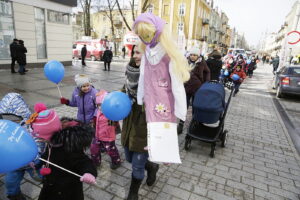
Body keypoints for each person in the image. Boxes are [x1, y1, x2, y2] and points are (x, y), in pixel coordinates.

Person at [121, 44, 159, 200]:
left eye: (140, 53)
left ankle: (133, 193)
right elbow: (125, 90)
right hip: (129, 121)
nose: (135, 56)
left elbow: (162, 102)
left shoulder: (155, 75)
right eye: (134, 52)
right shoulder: (130, 71)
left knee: (137, 163)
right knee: (129, 157)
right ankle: (152, 166)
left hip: (144, 123)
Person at [5, 103, 61, 200]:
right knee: (11, 182)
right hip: (15, 163)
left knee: (40, 176)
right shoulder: (25, 126)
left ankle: (48, 183)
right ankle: (14, 195)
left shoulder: (39, 134)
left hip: (31, 163)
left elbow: (42, 150)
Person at [38, 118, 97, 200]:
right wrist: (38, 162)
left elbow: (84, 162)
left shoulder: (71, 148)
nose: (39, 138)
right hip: (50, 182)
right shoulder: (51, 143)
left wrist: (89, 173)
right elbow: (47, 155)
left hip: (68, 187)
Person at [177, 47, 211, 134]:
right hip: (186, 88)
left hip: (197, 89)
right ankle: (181, 124)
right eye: (191, 54)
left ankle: (194, 124)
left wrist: (206, 83)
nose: (192, 56)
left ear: (198, 56)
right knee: (184, 106)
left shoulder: (202, 63)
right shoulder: (185, 62)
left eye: (194, 55)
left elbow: (207, 72)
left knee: (196, 107)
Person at [90, 89, 121, 169]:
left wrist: (114, 119)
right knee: (94, 149)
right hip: (97, 135)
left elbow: (114, 124)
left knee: (111, 151)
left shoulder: (110, 114)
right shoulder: (98, 112)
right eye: (98, 105)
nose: (100, 107)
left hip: (108, 137)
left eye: (102, 105)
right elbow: (95, 121)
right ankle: (96, 162)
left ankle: (116, 161)